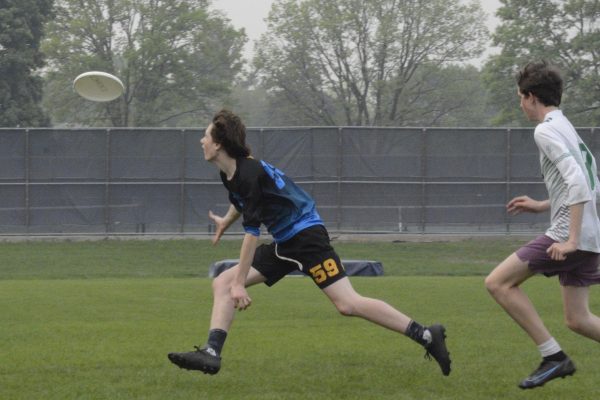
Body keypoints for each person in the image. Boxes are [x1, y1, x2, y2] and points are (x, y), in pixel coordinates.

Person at [168, 109, 451, 376]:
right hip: (285, 243)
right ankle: (211, 353)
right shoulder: (231, 173)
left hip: (306, 238)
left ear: (218, 145)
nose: (201, 140)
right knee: (222, 283)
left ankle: (427, 335)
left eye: (205, 135)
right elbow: (243, 203)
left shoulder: (248, 174)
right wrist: (225, 221)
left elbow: (252, 233)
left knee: (347, 303)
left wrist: (240, 282)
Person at [485, 60, 600, 389]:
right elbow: (591, 185)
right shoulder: (566, 126)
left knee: (498, 283)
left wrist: (570, 240)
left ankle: (553, 357)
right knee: (578, 319)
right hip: (590, 234)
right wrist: (542, 205)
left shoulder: (545, 130)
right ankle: (555, 357)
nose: (520, 104)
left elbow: (578, 182)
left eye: (520, 97)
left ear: (531, 96)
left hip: (569, 236)